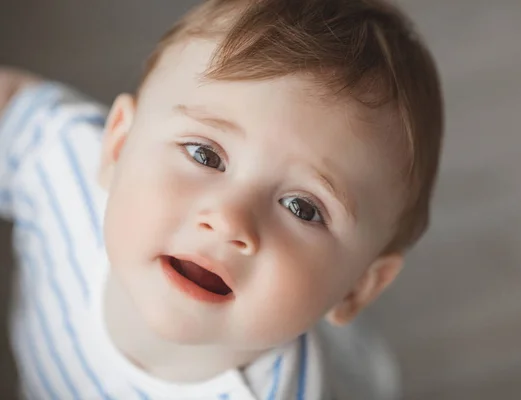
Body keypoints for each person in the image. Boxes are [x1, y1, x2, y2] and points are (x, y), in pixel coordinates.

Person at [0, 0, 443, 398]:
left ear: (357, 288)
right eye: (205, 155)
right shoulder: (57, 164)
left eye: (302, 208)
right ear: (118, 147)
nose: (230, 220)